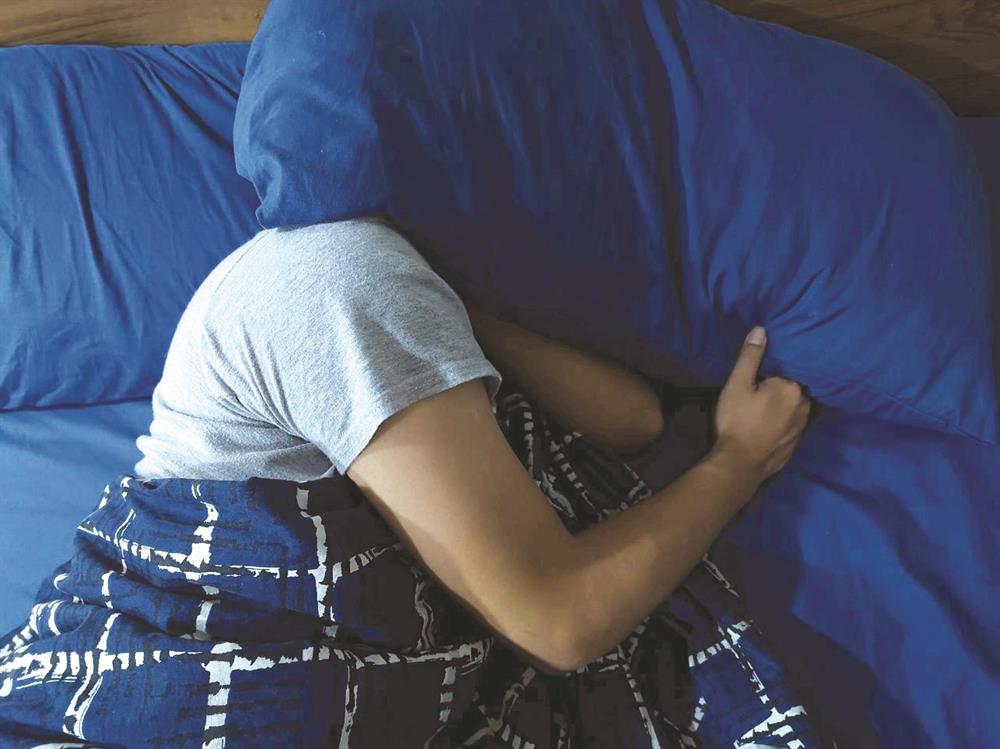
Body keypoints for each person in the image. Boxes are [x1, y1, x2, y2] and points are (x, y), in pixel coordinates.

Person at [132, 216, 817, 739]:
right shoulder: (335, 279)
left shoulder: (411, 277)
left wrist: (461, 301)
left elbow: (633, 422)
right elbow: (556, 623)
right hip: (200, 658)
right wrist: (739, 460)